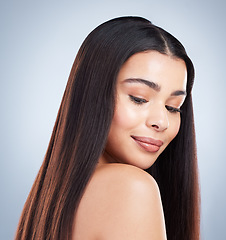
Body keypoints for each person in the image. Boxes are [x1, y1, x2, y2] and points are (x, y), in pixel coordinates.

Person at [15, 16, 200, 240]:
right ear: (92, 95)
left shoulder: (49, 204)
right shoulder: (131, 187)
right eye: (139, 99)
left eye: (173, 107)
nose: (161, 121)